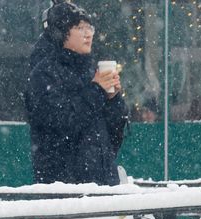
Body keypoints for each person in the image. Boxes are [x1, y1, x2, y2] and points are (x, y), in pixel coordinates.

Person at [25, 1, 129, 185]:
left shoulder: (91, 72)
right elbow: (60, 124)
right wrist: (97, 90)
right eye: (80, 28)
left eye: (90, 28)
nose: (88, 34)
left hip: (103, 183)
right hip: (64, 187)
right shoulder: (44, 74)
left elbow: (113, 137)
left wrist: (113, 100)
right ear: (62, 32)